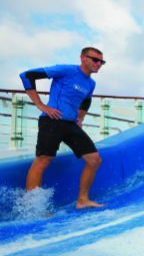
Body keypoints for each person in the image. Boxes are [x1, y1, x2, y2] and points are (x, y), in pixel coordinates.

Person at [20, 47, 106, 209]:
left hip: (70, 125)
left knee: (94, 160)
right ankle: (31, 208)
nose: (98, 64)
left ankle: (82, 200)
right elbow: (27, 76)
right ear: (83, 58)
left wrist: (80, 117)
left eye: (101, 62)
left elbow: (86, 100)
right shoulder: (66, 70)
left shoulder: (90, 83)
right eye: (95, 60)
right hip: (52, 121)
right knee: (43, 160)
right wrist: (40, 105)